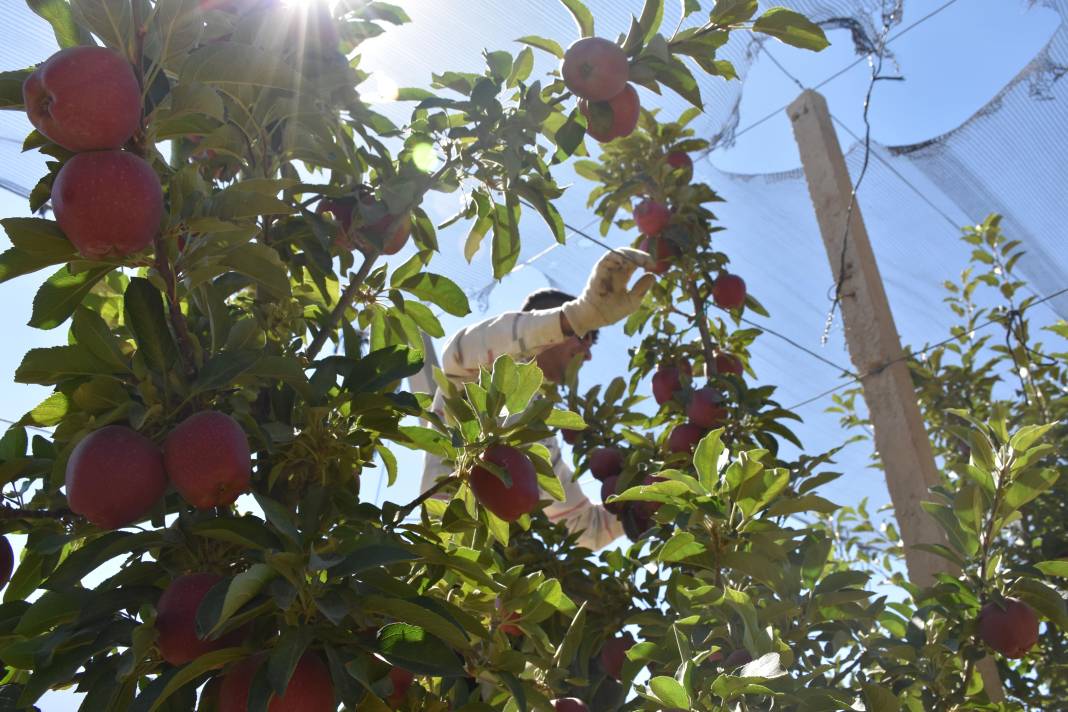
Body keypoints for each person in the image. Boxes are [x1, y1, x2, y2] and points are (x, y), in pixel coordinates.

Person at [419, 248, 656, 550]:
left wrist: (647, 499)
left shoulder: (537, 432)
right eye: (585, 336)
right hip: (435, 553)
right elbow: (459, 351)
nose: (589, 353)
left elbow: (584, 526)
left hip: (480, 583)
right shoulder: (479, 379)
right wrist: (575, 317)